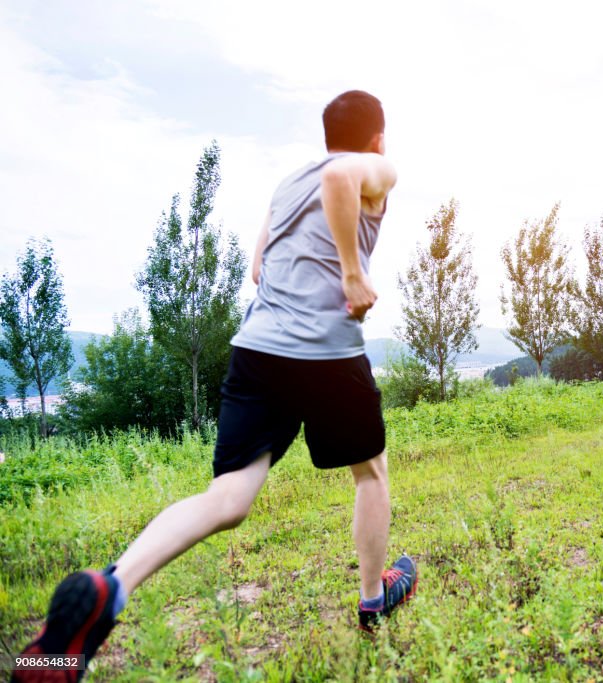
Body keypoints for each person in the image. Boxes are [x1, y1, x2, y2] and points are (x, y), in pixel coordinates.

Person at [12, 90, 416, 682]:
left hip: (258, 349)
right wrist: (353, 275)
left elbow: (258, 267)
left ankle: (109, 586)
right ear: (378, 137)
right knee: (371, 470)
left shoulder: (285, 187)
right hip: (326, 352)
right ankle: (373, 596)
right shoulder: (374, 167)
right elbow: (340, 177)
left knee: (228, 497)